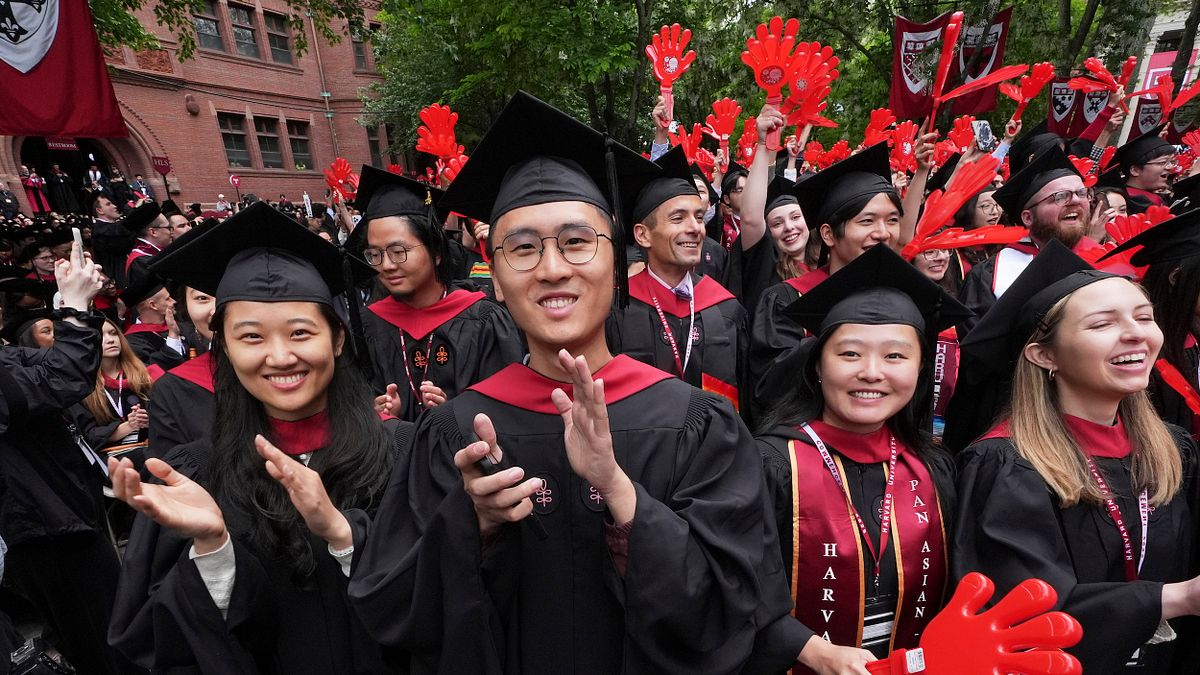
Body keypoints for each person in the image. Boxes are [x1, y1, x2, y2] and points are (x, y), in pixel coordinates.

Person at [349, 91, 820, 674]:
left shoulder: (698, 425)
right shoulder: (453, 433)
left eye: (576, 242)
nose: (552, 268)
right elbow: (394, 614)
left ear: (616, 263)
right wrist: (472, 527)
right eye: (522, 248)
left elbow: (735, 611)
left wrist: (622, 497)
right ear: (492, 276)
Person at [108, 202, 404, 673]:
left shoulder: (405, 454)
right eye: (251, 337)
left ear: (339, 339)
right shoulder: (196, 477)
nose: (280, 356)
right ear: (222, 346)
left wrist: (347, 539)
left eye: (301, 332)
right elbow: (156, 644)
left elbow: (452, 603)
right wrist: (213, 549)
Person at [952, 241, 1200, 673]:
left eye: (1144, 317)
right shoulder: (1005, 464)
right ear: (1044, 355)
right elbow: (1023, 615)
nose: (1137, 333)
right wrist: (1177, 598)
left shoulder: (1173, 450)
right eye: (1102, 324)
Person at [757, 245, 969, 669]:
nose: (872, 372)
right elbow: (736, 587)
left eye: (895, 356)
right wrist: (812, 651)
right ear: (818, 364)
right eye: (850, 353)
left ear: (920, 369)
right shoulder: (771, 464)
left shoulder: (934, 466)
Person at [0, 239, 143, 675]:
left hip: (62, 512)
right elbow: (59, 380)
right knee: (102, 638)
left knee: (107, 626)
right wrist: (78, 310)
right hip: (45, 527)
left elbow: (45, 366)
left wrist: (66, 307)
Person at [347, 166, 524, 421]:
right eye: (375, 254)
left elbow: (508, 411)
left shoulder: (483, 320)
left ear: (436, 252)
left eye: (399, 251)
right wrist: (380, 415)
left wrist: (454, 415)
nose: (386, 265)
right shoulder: (368, 326)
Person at [748, 142, 901, 422]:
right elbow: (767, 392)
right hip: (807, 449)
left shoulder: (905, 301)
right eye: (867, 221)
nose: (883, 233)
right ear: (829, 235)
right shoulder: (787, 300)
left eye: (892, 220)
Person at [607, 145, 747, 413]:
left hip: (716, 449)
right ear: (643, 235)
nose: (695, 228)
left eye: (697, 217)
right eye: (678, 218)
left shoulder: (726, 309)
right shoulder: (615, 311)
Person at [957, 145, 1090, 331]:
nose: (1075, 200)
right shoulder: (989, 276)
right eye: (1060, 197)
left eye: (1082, 193)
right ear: (1028, 217)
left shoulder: (1107, 260)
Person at [732, 104, 812, 317]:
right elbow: (750, 218)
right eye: (777, 223)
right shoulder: (766, 266)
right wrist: (763, 145)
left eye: (796, 217)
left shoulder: (826, 264)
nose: (789, 227)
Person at [66, 318, 155, 455]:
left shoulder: (147, 374)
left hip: (153, 449)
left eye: (113, 333)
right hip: (111, 459)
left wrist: (150, 419)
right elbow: (89, 436)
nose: (110, 340)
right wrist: (129, 426)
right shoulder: (80, 387)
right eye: (101, 336)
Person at [122, 265, 187, 370]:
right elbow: (153, 373)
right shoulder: (132, 343)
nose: (174, 301)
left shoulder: (183, 327)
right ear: (153, 305)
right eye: (167, 299)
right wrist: (173, 337)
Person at [1111, 125, 1176, 214]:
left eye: (1171, 162)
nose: (1170, 167)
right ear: (1135, 170)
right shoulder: (1130, 203)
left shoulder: (1152, 197)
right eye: (1162, 162)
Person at [123, 202, 172, 274]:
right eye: (168, 228)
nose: (171, 232)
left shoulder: (151, 256)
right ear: (153, 232)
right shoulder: (142, 262)